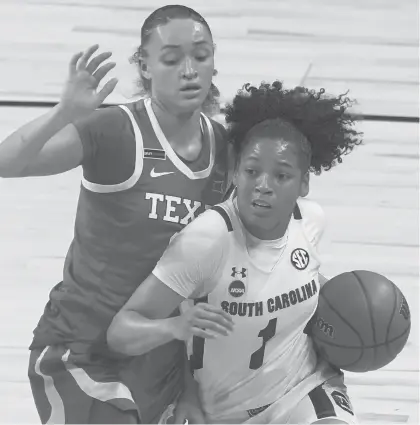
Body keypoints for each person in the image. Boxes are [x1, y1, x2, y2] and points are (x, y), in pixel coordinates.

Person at [0, 5, 230, 424]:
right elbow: (6, 163)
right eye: (172, 58)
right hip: (81, 349)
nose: (189, 70)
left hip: (161, 357)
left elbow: (205, 288)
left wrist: (193, 392)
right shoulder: (116, 130)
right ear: (144, 65)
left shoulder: (226, 153)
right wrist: (62, 114)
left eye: (201, 55)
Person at [107, 81, 363, 424]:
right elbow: (121, 332)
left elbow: (290, 278)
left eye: (282, 175)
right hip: (222, 413)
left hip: (303, 390)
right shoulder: (207, 240)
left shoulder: (310, 222)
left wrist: (356, 314)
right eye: (252, 171)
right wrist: (174, 328)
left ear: (304, 183)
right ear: (235, 173)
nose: (264, 185)